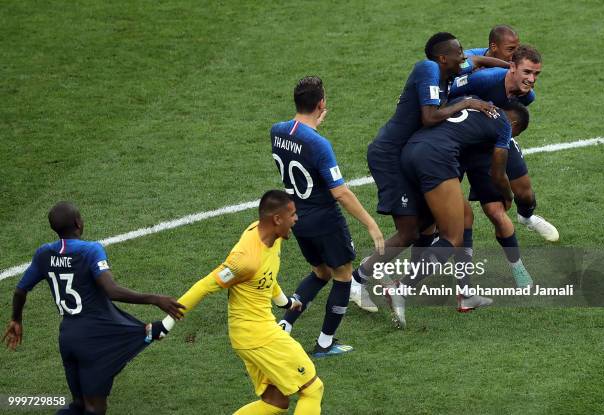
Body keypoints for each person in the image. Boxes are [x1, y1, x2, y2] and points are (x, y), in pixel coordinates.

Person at [351, 32, 498, 311]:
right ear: (443, 58)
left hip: (410, 155)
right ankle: (358, 279)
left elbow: (477, 59)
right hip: (390, 156)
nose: (463, 55)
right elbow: (428, 118)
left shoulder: (448, 66)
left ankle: (411, 290)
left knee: (431, 222)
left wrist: (509, 65)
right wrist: (466, 103)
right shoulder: (428, 68)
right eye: (459, 51)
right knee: (408, 232)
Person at [2, 201, 184, 415]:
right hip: (96, 338)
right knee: (94, 409)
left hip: (68, 337)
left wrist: (16, 319)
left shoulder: (44, 255)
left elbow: (20, 290)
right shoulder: (90, 250)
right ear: (78, 223)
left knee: (78, 405)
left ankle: (151, 331)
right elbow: (111, 290)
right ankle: (151, 332)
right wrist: (155, 298)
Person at [155, 190, 325, 415]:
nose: (296, 219)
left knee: (275, 402)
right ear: (277, 219)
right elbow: (206, 285)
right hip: (258, 335)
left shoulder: (273, 236)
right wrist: (167, 322)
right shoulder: (245, 260)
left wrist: (287, 303)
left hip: (252, 334)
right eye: (292, 214)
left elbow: (267, 279)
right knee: (312, 389)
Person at [270, 76, 384, 356]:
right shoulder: (319, 145)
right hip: (324, 220)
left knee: (320, 272)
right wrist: (371, 225)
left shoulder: (277, 131)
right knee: (343, 277)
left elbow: (298, 138)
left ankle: (285, 324)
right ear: (321, 104)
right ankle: (324, 344)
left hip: (297, 219)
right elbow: (341, 193)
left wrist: (311, 129)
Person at [398, 100, 531, 321]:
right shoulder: (503, 125)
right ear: (513, 123)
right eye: (515, 133)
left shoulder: (472, 102)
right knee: (452, 237)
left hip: (411, 148)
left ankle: (466, 293)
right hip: (435, 158)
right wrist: (509, 197)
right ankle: (399, 288)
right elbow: (498, 174)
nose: (511, 138)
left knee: (462, 218)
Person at [450, 45, 556, 288]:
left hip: (491, 143)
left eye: (536, 74)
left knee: (517, 198)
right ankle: (468, 279)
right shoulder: (484, 79)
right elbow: (447, 89)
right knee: (469, 213)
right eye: (527, 72)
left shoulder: (526, 95)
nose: (531, 79)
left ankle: (525, 225)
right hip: (457, 144)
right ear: (512, 67)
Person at [464, 28, 559, 243]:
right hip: (465, 140)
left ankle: (527, 217)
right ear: (494, 48)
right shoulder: (482, 76)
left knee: (525, 193)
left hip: (497, 137)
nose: (514, 54)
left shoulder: (526, 93)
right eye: (511, 50)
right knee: (492, 210)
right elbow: (450, 72)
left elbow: (512, 112)